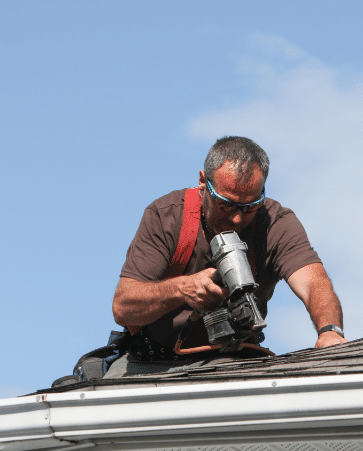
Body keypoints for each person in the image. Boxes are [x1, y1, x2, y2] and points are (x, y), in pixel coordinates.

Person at [110, 136, 345, 368]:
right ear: (203, 182)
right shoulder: (166, 216)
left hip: (236, 359)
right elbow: (123, 308)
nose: (236, 218)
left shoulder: (276, 223)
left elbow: (314, 282)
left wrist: (330, 331)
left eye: (250, 207)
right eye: (226, 204)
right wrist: (181, 289)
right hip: (152, 359)